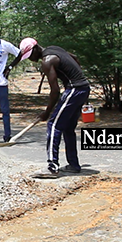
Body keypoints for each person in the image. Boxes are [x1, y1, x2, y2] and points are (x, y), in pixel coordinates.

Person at [17, 38, 90, 178]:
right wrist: (79, 76)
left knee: (53, 124)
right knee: (68, 128)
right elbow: (74, 57)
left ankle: (52, 167)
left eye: (30, 55)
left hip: (74, 89)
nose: (31, 59)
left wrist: (47, 112)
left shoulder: (47, 61)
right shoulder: (54, 48)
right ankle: (73, 165)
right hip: (83, 88)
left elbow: (55, 91)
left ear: (36, 48)